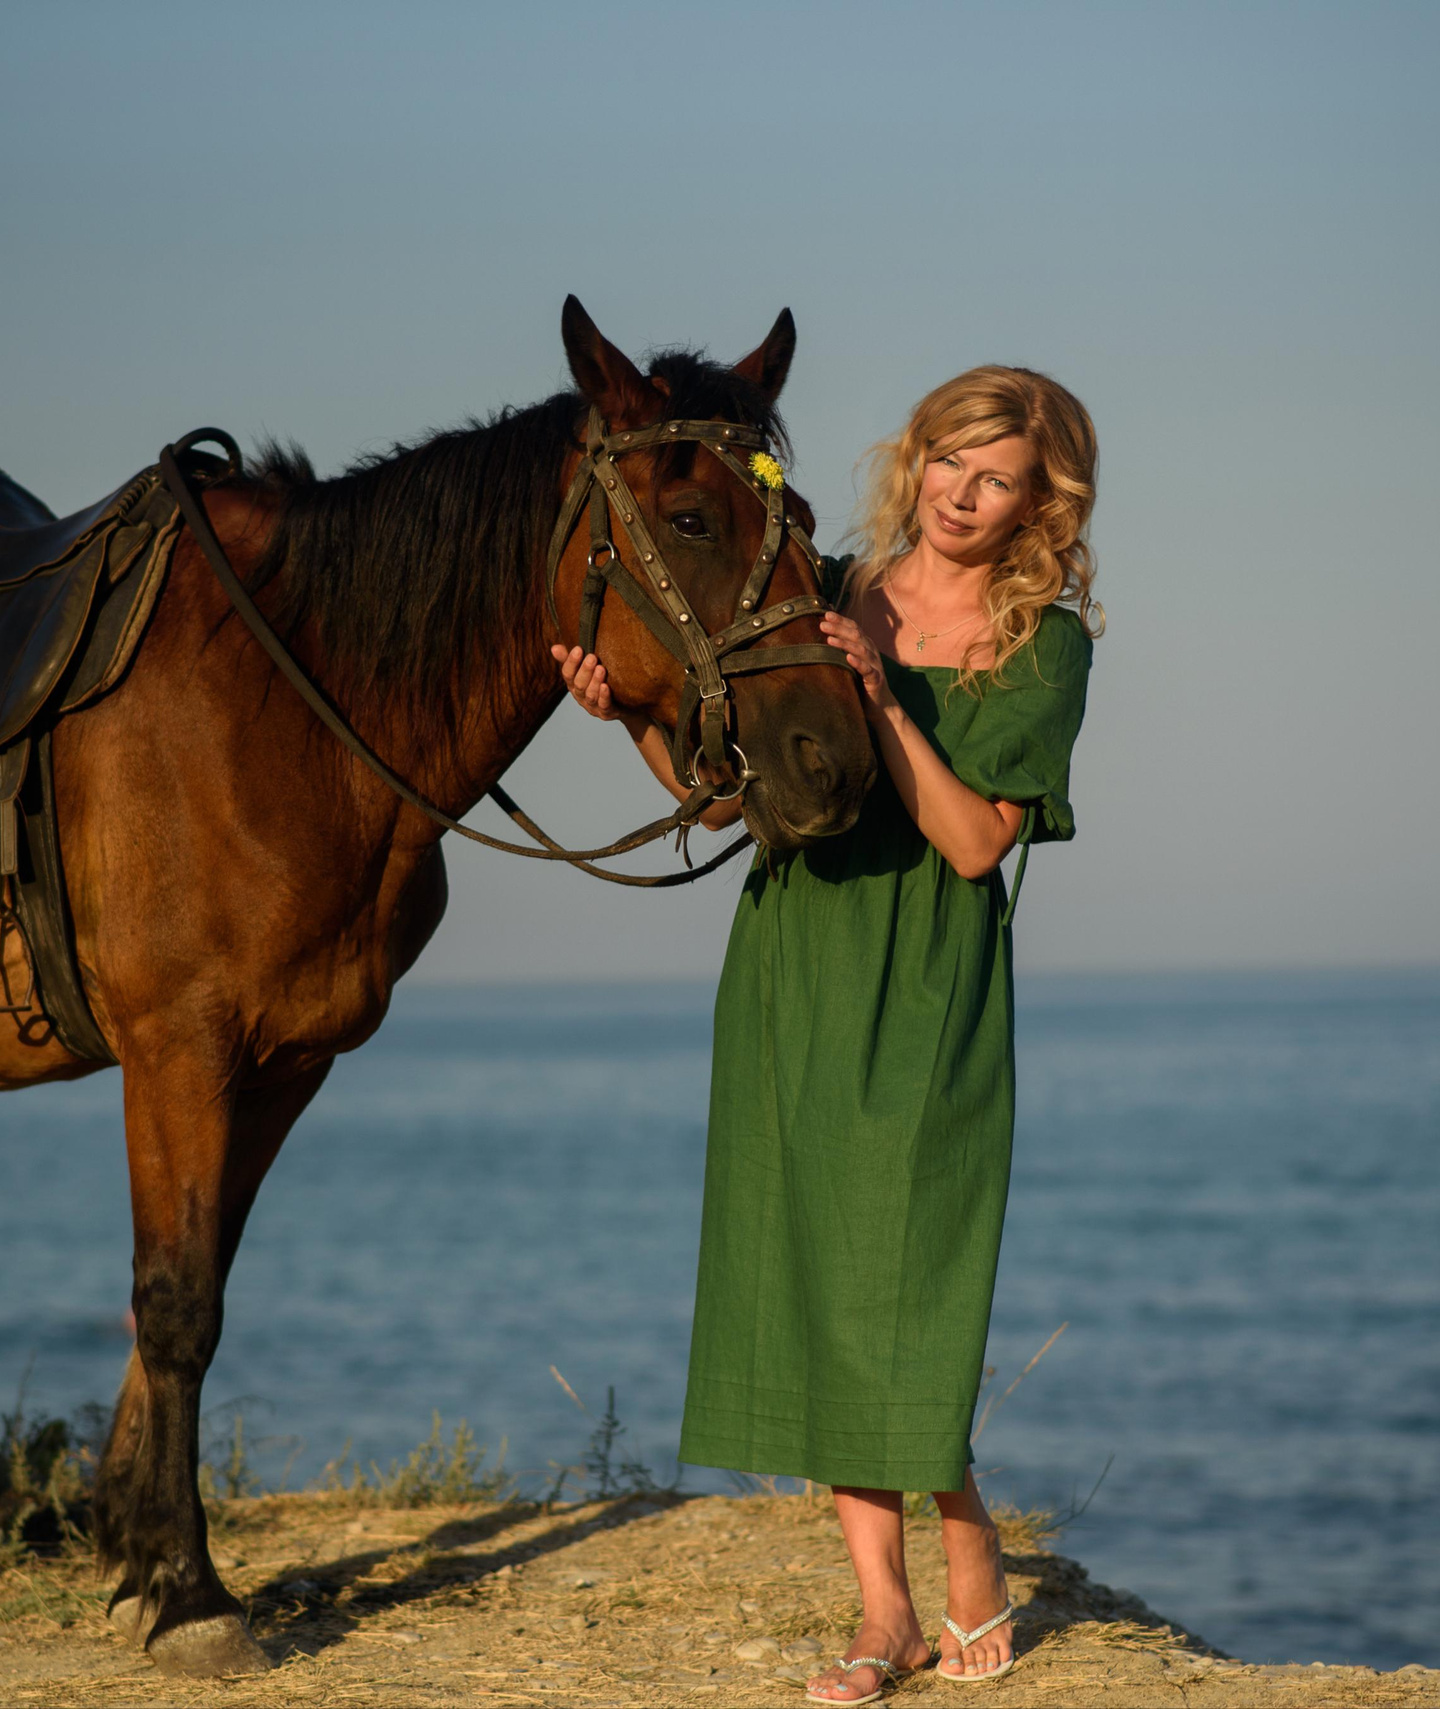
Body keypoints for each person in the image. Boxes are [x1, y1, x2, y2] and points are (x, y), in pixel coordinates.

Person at [554, 365, 1098, 1704]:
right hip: (797, 953)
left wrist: (886, 700)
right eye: (950, 464)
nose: (965, 497)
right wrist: (626, 716)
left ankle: (966, 1536)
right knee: (814, 1284)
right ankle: (881, 1613)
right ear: (915, 459)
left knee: (905, 1288)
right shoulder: (826, 583)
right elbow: (730, 796)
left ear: (1040, 503)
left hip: (927, 982)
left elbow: (975, 842)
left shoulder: (1049, 640)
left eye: (999, 480)